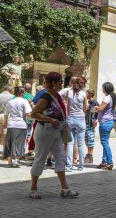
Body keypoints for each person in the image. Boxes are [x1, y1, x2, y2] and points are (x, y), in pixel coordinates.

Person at [29, 71, 78, 199]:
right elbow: (34, 114)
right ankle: (33, 189)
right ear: (53, 83)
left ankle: (65, 188)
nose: (62, 83)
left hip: (56, 132)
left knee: (61, 158)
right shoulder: (45, 97)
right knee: (40, 158)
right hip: (45, 131)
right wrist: (50, 120)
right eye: (59, 81)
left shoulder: (56, 95)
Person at [63, 77, 88, 172]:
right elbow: (85, 108)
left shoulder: (68, 93)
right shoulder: (83, 94)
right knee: (81, 144)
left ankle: (69, 166)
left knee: (70, 143)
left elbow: (66, 106)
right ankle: (81, 166)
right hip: (80, 119)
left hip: (70, 118)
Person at [3, 86, 32, 168]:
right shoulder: (24, 101)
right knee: (20, 142)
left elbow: (6, 113)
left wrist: (5, 123)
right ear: (22, 93)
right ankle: (16, 159)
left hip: (11, 124)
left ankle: (9, 161)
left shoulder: (10, 102)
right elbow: (28, 113)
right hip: (21, 124)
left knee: (10, 142)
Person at [95, 82, 116, 170]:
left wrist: (96, 107)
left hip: (105, 122)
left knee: (104, 143)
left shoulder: (107, 98)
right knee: (105, 142)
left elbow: (101, 108)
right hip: (109, 121)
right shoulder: (111, 97)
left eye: (103, 87)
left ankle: (110, 162)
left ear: (106, 89)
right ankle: (104, 162)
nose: (102, 89)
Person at [0, 85, 14, 158]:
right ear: (10, 89)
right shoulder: (12, 96)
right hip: (7, 115)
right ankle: (4, 153)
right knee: (5, 135)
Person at [85, 90, 98, 164]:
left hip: (90, 123)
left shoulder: (95, 103)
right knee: (86, 139)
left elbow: (96, 113)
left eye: (87, 93)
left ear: (90, 94)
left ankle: (90, 155)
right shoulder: (86, 102)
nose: (86, 95)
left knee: (90, 139)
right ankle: (88, 155)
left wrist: (96, 120)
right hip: (85, 123)